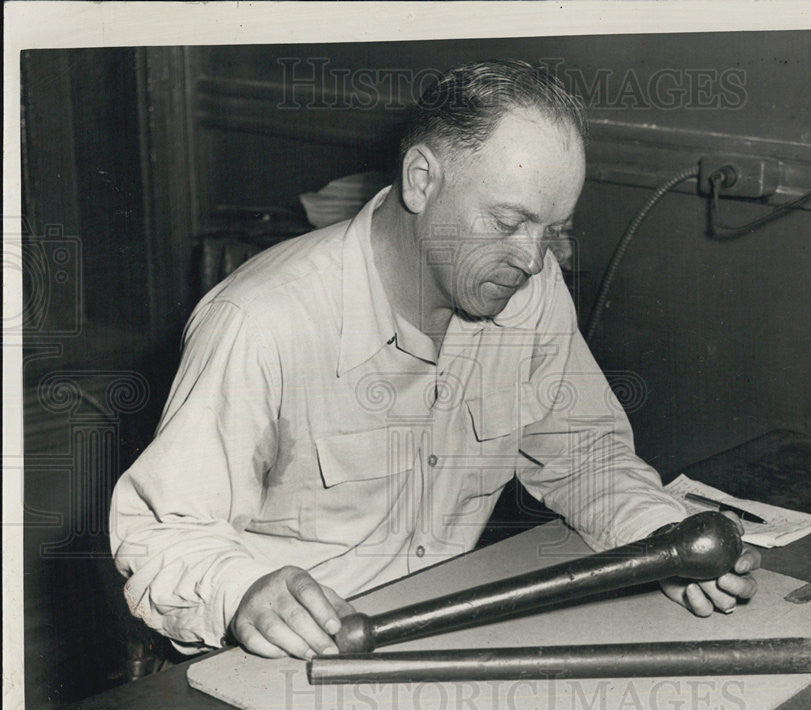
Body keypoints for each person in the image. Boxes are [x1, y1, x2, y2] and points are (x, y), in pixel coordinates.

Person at [110, 59, 760, 660]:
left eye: (553, 230)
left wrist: (659, 540)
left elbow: (584, 455)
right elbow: (161, 535)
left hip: (441, 635)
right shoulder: (262, 321)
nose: (534, 259)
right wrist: (243, 591)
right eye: (509, 222)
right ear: (422, 180)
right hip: (281, 659)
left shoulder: (526, 293)